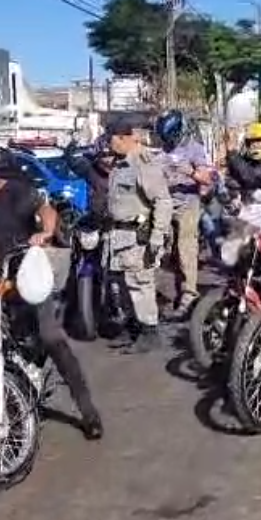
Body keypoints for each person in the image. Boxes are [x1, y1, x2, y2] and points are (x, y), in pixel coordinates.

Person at [0, 146, 104, 439]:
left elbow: (47, 211)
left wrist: (44, 232)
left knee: (52, 338)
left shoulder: (22, 191)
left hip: (27, 277)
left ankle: (88, 412)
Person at [107, 116, 174, 353]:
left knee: (140, 283)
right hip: (119, 236)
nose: (108, 144)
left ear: (124, 137)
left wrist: (158, 236)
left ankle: (149, 331)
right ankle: (133, 326)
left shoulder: (143, 163)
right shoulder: (120, 163)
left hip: (138, 236)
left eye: (111, 139)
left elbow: (163, 201)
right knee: (122, 285)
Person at [153, 110, 213, 317]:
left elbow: (206, 179)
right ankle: (159, 295)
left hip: (188, 203)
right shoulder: (159, 150)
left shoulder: (194, 148)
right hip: (163, 204)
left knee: (185, 249)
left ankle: (189, 296)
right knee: (162, 251)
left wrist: (189, 171)